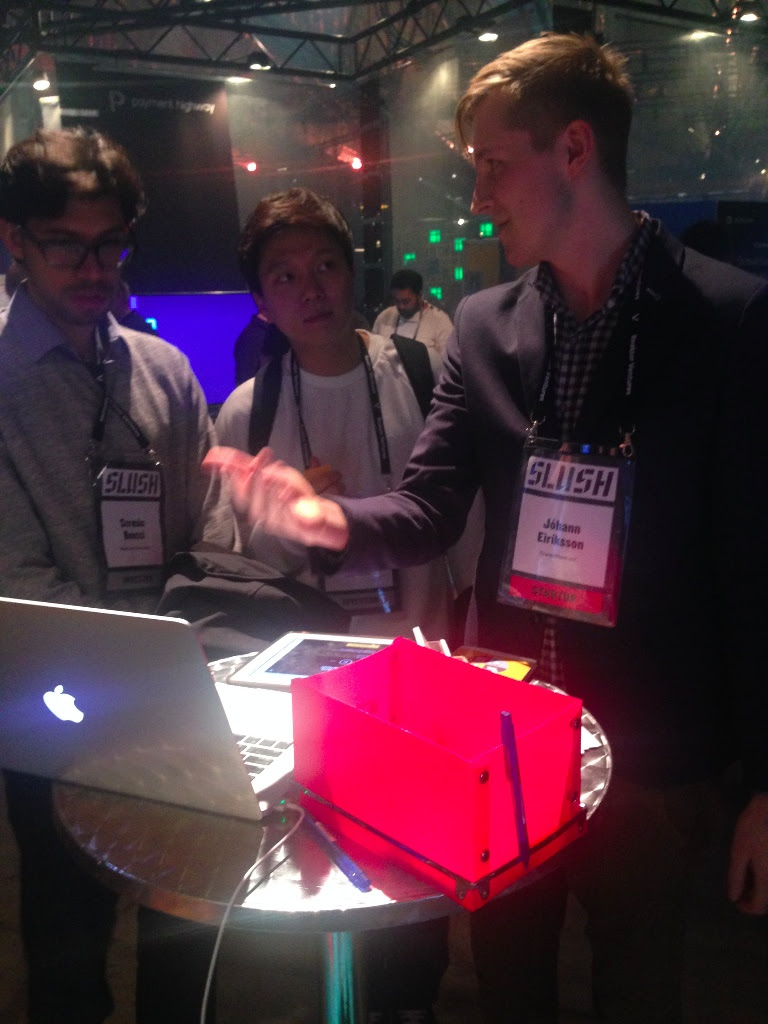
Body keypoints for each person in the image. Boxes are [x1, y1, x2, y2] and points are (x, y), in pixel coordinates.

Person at [205, 32, 768, 1024]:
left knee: (640, 991)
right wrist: (325, 517)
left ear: (575, 149)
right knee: (509, 988)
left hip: (656, 746)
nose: (477, 197)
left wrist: (765, 779)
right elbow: (430, 505)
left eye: (494, 165)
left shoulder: (727, 320)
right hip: (504, 746)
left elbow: (754, 563)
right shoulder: (485, 324)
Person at [0, 127, 234, 1023]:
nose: (94, 269)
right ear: (15, 240)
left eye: (111, 245)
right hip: (55, 710)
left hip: (180, 695)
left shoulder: (163, 370)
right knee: (66, 948)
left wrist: (188, 644)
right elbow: (13, 573)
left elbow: (211, 527)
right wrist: (147, 666)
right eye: (67, 245)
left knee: (187, 930)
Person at [216, 186, 476, 644]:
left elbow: (467, 526)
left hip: (422, 655)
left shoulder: (423, 372)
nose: (312, 292)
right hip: (301, 665)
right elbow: (238, 573)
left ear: (351, 273)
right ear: (262, 304)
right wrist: (293, 525)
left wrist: (474, 641)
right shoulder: (246, 412)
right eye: (286, 277)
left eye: (325, 266)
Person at [372, 268, 453, 375]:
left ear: (419, 296)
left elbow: (448, 366)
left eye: (406, 301)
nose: (401, 306)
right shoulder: (384, 317)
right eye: (397, 301)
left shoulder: (440, 321)